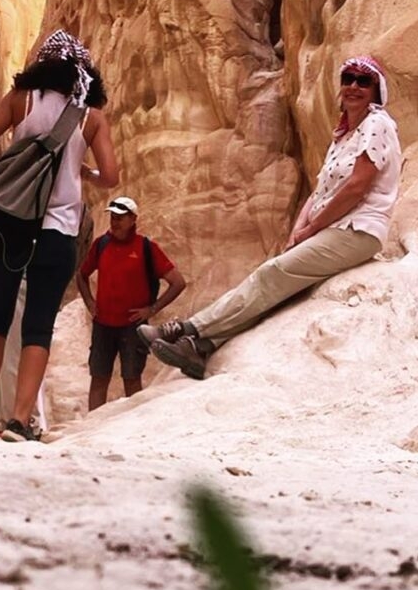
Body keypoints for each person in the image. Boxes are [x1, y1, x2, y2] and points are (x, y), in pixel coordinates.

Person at [140, 56, 401, 380]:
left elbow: (356, 188)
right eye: (348, 78)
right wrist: (297, 232)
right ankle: (200, 346)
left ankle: (185, 328)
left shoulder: (378, 123)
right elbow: (319, 192)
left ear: (377, 91)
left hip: (358, 229)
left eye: (364, 81)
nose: (353, 87)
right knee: (280, 285)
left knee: (272, 273)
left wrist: (312, 230)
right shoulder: (343, 136)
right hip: (333, 229)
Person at [0, 30, 119, 441]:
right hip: (57, 229)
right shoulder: (91, 118)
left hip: (8, 222)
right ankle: (19, 419)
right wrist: (81, 173)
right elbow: (112, 177)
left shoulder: (20, 100)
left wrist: (7, 175)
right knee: (38, 324)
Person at [76, 197, 186, 410]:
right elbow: (81, 275)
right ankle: (93, 428)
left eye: (120, 217)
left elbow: (178, 282)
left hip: (132, 327)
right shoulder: (102, 244)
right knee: (99, 379)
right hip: (103, 324)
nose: (115, 222)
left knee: (132, 379)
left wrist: (152, 309)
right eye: (113, 217)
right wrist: (90, 302)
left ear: (133, 219)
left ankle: (130, 428)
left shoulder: (146, 248)